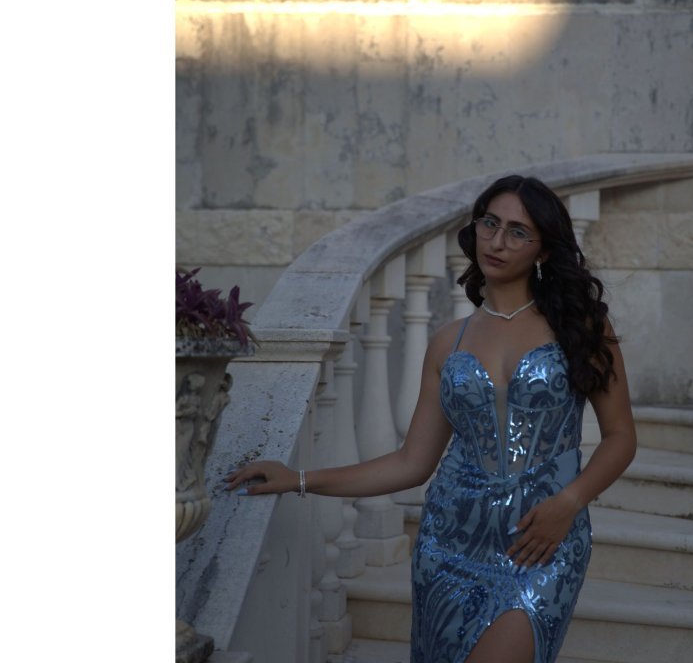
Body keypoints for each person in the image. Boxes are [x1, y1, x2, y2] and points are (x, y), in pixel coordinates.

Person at [224, 175, 636, 663]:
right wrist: (299, 478)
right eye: (490, 224)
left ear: (544, 250)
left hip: (541, 539)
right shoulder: (447, 342)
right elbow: (411, 463)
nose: (497, 242)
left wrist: (568, 503)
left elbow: (620, 437)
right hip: (450, 541)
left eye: (518, 232)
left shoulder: (582, 326)